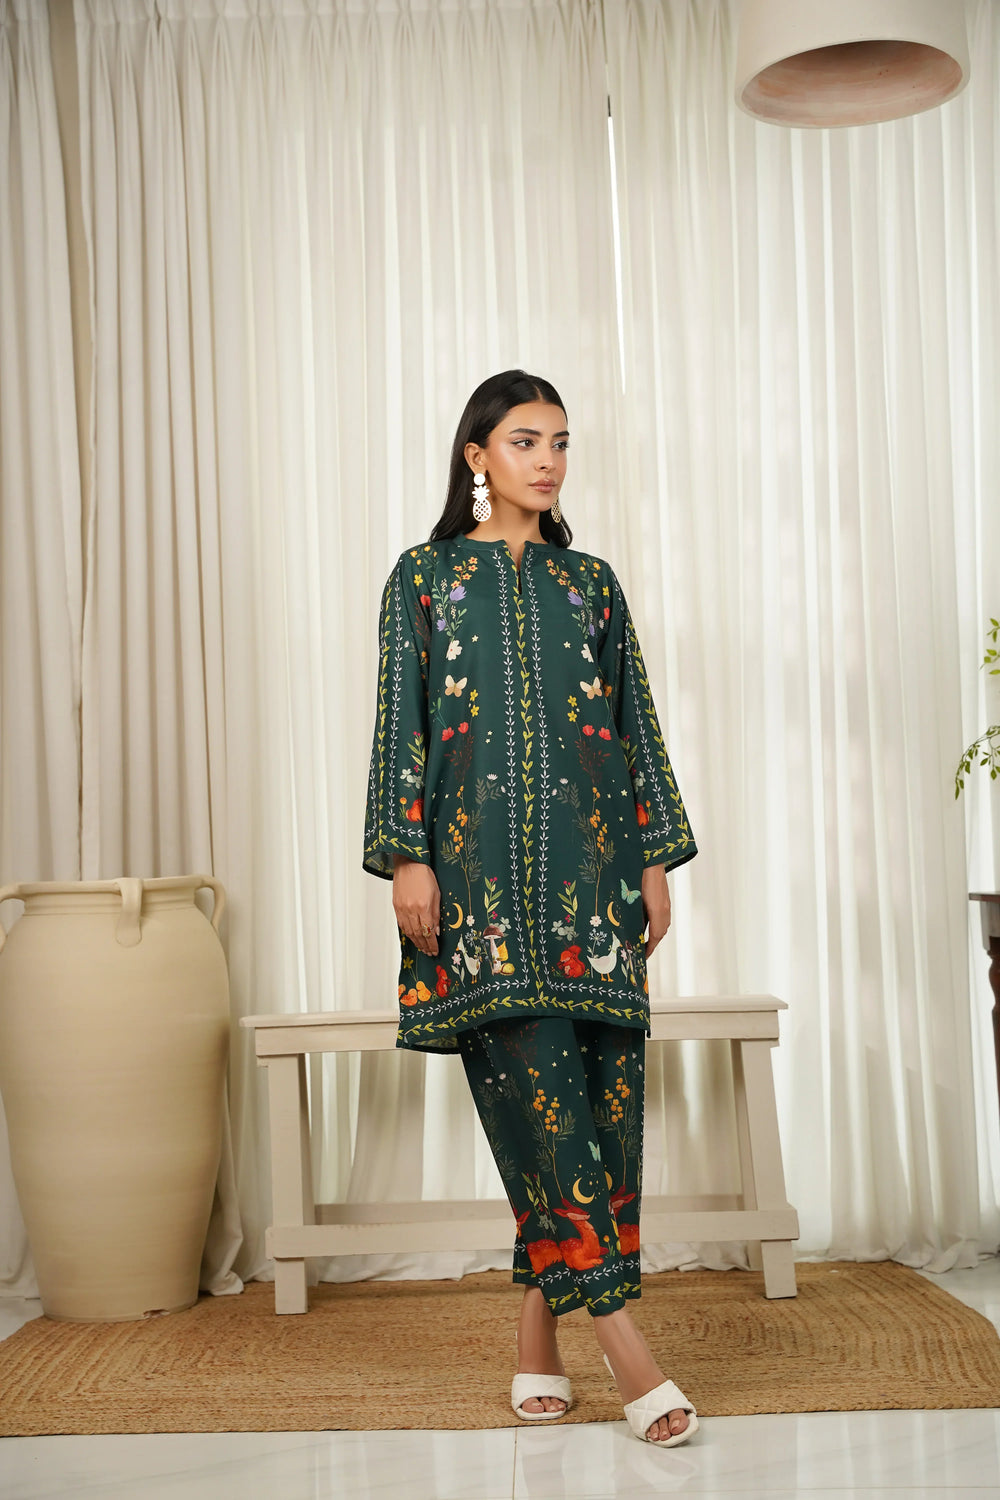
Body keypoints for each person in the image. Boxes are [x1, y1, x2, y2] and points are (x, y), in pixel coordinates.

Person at [363, 369, 699, 1447]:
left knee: (598, 1115)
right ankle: (628, 1349)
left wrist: (654, 859)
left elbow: (633, 723)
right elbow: (401, 724)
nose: (547, 460)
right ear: (478, 456)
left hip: (595, 883)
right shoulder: (424, 577)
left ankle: (534, 1343)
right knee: (541, 1108)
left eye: (559, 441)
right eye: (524, 441)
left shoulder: (591, 583)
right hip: (477, 890)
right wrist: (407, 859)